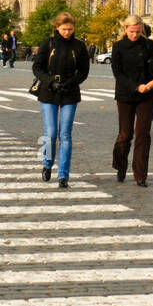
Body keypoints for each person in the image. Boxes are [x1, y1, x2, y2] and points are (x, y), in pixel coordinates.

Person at [32, 12, 91, 188]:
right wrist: (51, 82)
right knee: (50, 132)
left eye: (70, 29)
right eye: (64, 29)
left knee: (65, 134)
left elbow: (83, 71)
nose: (67, 32)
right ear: (57, 27)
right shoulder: (48, 43)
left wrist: (70, 83)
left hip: (70, 91)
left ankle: (63, 175)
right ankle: (47, 163)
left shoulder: (79, 46)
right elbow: (37, 67)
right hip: (49, 91)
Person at [110, 14, 153, 185]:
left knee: (143, 134)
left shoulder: (149, 45)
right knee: (125, 134)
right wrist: (136, 86)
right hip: (126, 94)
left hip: (147, 94)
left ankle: (140, 175)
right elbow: (118, 73)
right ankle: (120, 166)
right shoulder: (118, 47)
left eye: (138, 31)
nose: (135, 35)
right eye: (132, 31)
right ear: (126, 29)